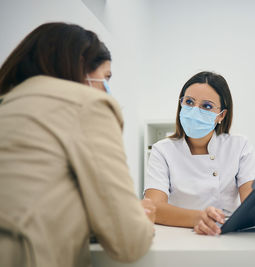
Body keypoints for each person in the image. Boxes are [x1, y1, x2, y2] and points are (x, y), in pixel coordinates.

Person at [0, 22, 155, 267]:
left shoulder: (8, 104)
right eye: (105, 78)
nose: (105, 90)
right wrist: (141, 218)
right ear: (80, 67)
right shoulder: (88, 105)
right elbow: (130, 241)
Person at [144, 71, 255, 235]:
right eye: (189, 102)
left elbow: (252, 205)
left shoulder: (238, 146)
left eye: (206, 106)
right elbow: (154, 208)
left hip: (228, 234)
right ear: (181, 104)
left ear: (221, 115)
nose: (195, 111)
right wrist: (199, 218)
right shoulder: (162, 150)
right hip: (179, 235)